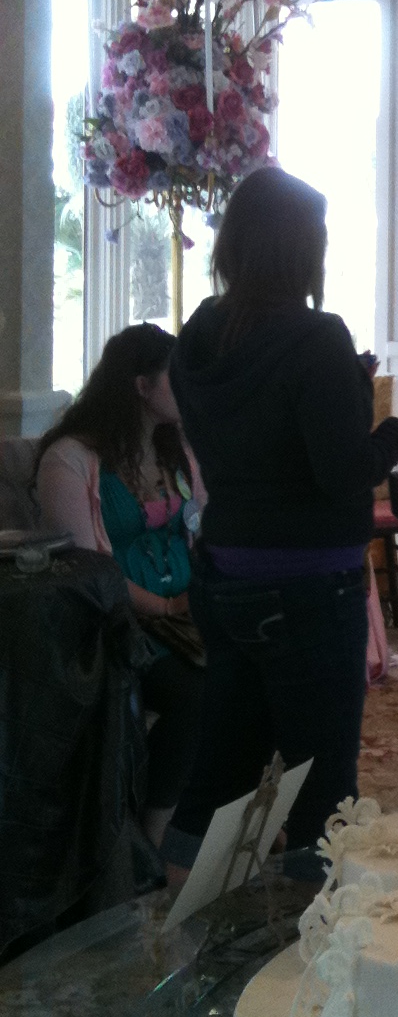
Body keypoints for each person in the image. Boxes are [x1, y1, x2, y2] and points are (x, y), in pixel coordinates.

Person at [162, 167, 398, 878]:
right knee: (323, 787)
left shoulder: (197, 334)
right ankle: (311, 942)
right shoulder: (315, 336)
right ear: (300, 250)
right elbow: (342, 471)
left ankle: (180, 918)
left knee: (222, 766)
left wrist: (344, 380)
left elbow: (254, 428)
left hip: (224, 579)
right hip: (309, 593)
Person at [35, 323, 207, 850]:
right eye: (174, 378)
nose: (187, 389)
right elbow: (90, 568)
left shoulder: (173, 446)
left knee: (260, 663)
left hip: (182, 611)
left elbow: (201, 525)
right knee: (193, 693)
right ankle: (155, 832)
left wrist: (201, 597)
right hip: (116, 622)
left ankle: (223, 811)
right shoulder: (71, 458)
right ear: (140, 386)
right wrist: (164, 604)